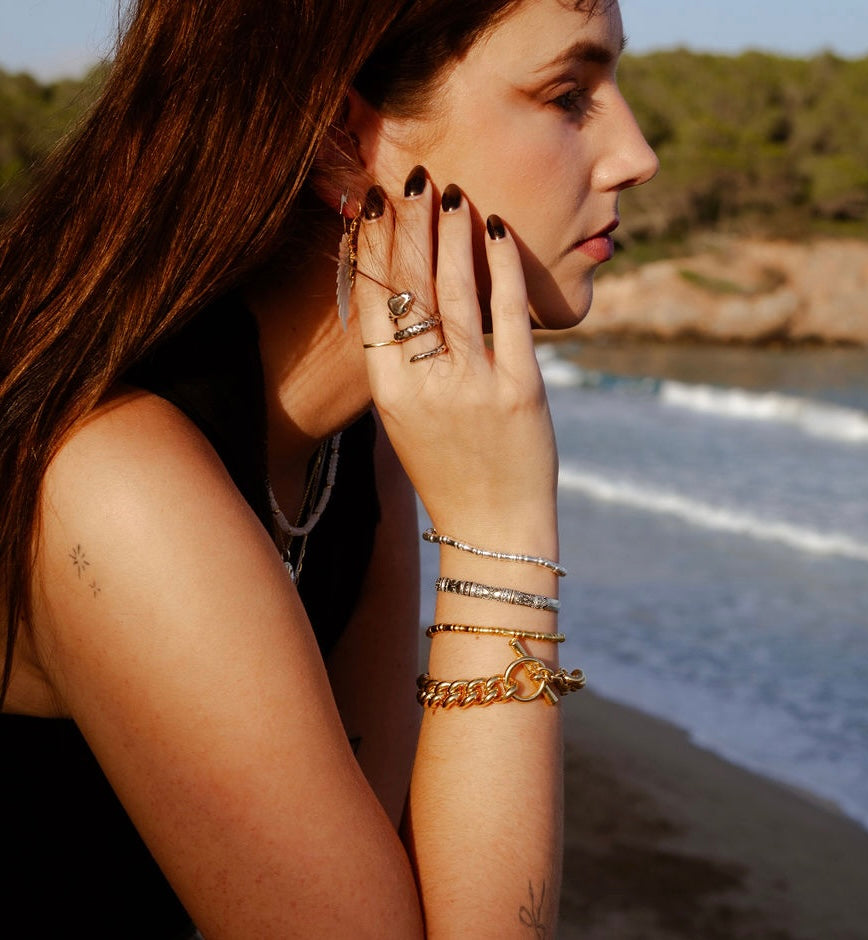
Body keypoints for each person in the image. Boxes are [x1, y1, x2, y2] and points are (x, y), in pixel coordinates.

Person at [0, 0, 657, 935]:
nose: (636, 153)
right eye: (566, 93)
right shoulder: (118, 486)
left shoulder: (353, 445)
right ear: (347, 138)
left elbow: (404, 881)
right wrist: (500, 532)